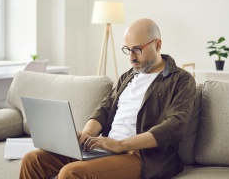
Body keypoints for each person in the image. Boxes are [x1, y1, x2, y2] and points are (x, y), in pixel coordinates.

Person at [19, 18, 196, 179]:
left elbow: (176, 126)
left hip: (142, 155)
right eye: (128, 50)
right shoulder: (128, 77)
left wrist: (120, 145)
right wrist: (86, 136)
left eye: (137, 50)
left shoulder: (181, 79)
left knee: (70, 173)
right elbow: (105, 108)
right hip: (105, 148)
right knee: (32, 159)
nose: (131, 57)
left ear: (157, 45)